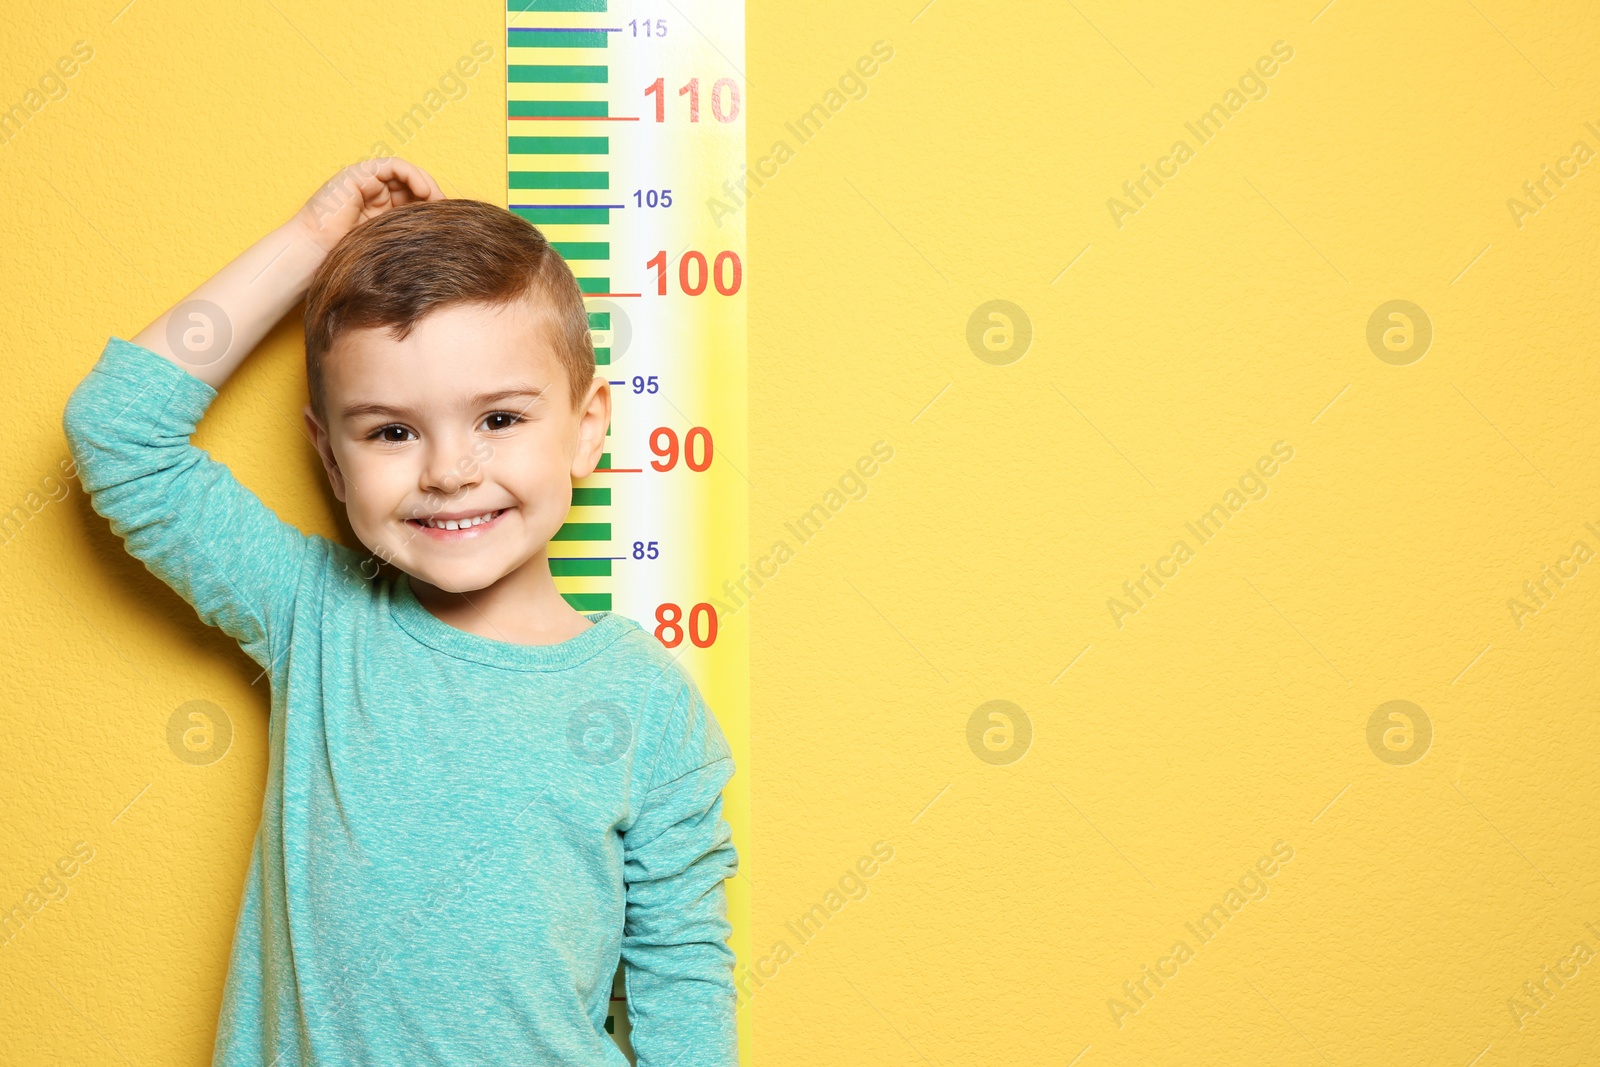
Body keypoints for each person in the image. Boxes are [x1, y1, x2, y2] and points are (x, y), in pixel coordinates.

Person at [61, 158, 739, 1066]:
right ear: (331, 461)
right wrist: (308, 243)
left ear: (587, 427)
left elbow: (683, 974)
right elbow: (118, 430)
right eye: (392, 430)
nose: (449, 471)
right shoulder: (316, 612)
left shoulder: (647, 702)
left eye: (499, 418)